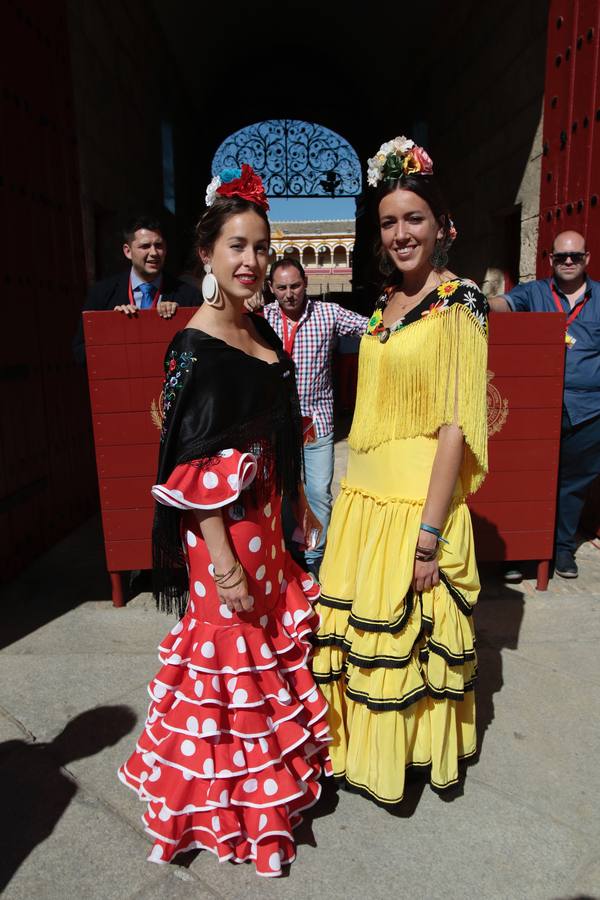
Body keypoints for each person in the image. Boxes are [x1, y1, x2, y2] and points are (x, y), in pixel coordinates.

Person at [118, 165, 331, 878]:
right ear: (206, 255)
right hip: (225, 538)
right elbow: (191, 463)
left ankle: (266, 789)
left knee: (263, 652)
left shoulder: (259, 325)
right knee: (227, 662)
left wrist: (290, 512)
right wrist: (226, 562)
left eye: (263, 248)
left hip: (266, 525)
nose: (253, 262)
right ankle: (228, 812)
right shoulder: (194, 342)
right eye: (238, 246)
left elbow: (270, 435)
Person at [311, 136, 489, 806]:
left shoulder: (460, 302)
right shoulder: (384, 303)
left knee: (411, 642)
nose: (400, 232)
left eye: (413, 218)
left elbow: (454, 428)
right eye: (388, 222)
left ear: (443, 227)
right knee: (364, 639)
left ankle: (408, 762)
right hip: (364, 495)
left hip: (413, 504)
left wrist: (429, 535)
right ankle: (357, 756)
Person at [489, 230, 600, 579]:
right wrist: (472, 297)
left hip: (588, 411)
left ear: (587, 260)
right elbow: (502, 306)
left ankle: (561, 550)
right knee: (524, 482)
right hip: (535, 409)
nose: (569, 262)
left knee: (572, 484)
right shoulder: (533, 293)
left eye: (576, 256)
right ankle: (520, 553)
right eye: (561, 256)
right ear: (550, 259)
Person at [263, 258, 368, 576]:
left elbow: (373, 327)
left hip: (316, 423)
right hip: (276, 427)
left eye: (295, 286)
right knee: (280, 492)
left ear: (305, 283)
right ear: (271, 289)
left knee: (319, 493)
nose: (289, 294)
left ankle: (314, 558)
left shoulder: (328, 314)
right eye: (281, 288)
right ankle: (284, 556)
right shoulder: (260, 318)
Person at [72, 214, 199, 365]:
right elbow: (80, 352)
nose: (153, 253)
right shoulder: (102, 293)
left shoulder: (188, 296)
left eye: (158, 245)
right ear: (128, 251)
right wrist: (111, 326)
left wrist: (179, 319)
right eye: (145, 246)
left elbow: (202, 351)